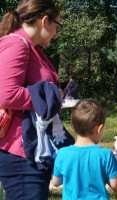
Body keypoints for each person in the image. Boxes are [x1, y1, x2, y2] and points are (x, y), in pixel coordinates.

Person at [0, 0, 64, 199]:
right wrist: (51, 97)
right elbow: (6, 94)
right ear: (45, 21)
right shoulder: (16, 44)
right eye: (57, 25)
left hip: (31, 147)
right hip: (20, 152)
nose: (56, 32)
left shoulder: (31, 47)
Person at [51, 99, 117, 199]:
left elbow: (55, 182)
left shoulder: (62, 153)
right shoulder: (106, 154)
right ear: (99, 128)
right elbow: (115, 185)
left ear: (73, 127)